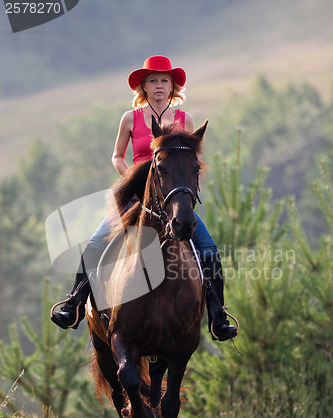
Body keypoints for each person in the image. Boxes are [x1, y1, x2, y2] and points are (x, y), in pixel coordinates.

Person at [51, 56, 237, 341]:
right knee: (97, 240)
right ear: (144, 87)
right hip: (136, 193)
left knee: (208, 247)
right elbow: (116, 155)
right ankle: (74, 303)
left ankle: (217, 314)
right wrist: (132, 179)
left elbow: (187, 158)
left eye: (165, 80)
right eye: (153, 80)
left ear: (173, 86)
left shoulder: (184, 119)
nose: (159, 85)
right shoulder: (130, 118)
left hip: (170, 194)